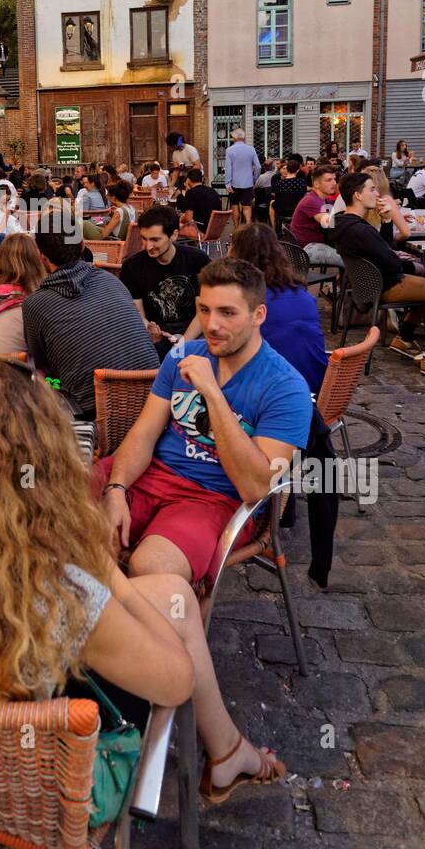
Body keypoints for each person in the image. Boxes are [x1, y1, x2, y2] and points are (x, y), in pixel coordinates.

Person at [0, 361, 284, 802]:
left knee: (174, 596)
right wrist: (111, 575)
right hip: (35, 771)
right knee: (175, 610)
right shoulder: (59, 587)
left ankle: (229, 750)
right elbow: (176, 682)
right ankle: (227, 752)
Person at [99, 259, 313, 584]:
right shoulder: (182, 356)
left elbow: (256, 488)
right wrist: (116, 488)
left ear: (258, 316)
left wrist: (213, 394)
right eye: (204, 310)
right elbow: (143, 433)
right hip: (151, 475)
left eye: (227, 313)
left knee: (151, 566)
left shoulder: (286, 387)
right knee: (52, 516)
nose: (211, 325)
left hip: (213, 498)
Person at [22, 205, 159, 418]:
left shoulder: (35, 304)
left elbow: (41, 365)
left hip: (93, 411)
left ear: (41, 256)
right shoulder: (111, 280)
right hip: (153, 398)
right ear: (82, 245)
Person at [330, 173, 425, 376]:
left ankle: (405, 338)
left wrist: (387, 221)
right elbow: (392, 262)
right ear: (357, 195)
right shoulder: (359, 230)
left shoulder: (344, 223)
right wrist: (403, 262)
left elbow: (384, 251)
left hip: (377, 285)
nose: (377, 193)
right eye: (372, 189)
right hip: (390, 285)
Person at [228, 224, 328, 396]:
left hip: (272, 391)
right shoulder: (302, 295)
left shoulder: (246, 300)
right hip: (317, 386)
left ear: (237, 254)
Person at [120, 206, 209, 359]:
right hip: (155, 335)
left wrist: (182, 344)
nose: (148, 246)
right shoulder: (132, 266)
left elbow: (204, 311)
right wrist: (148, 327)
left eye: (155, 239)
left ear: (174, 235)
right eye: (144, 238)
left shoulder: (197, 260)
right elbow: (138, 313)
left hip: (194, 332)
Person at [290, 161, 344, 266]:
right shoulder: (311, 201)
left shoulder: (323, 199)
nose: (334, 183)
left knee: (353, 253)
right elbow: (328, 223)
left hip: (317, 243)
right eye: (329, 180)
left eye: (334, 179)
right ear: (316, 184)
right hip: (307, 249)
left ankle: (343, 280)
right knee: (352, 261)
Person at [223, 128, 261, 227]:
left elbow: (228, 168)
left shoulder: (229, 150)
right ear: (244, 137)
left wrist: (227, 183)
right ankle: (248, 228)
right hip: (248, 182)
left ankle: (236, 229)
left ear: (234, 138)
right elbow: (258, 166)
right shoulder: (251, 149)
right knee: (247, 206)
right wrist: (254, 179)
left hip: (234, 183)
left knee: (235, 205)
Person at [176, 169, 223, 233]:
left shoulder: (191, 193)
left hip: (200, 230)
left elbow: (188, 218)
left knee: (173, 226)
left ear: (188, 180)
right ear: (202, 179)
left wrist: (181, 218)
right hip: (216, 230)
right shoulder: (213, 191)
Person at [270, 157, 309, 231]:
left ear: (287, 169)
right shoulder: (302, 182)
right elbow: (304, 195)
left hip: (282, 209)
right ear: (297, 170)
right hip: (297, 208)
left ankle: (274, 228)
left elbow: (276, 195)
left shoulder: (279, 183)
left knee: (272, 203)